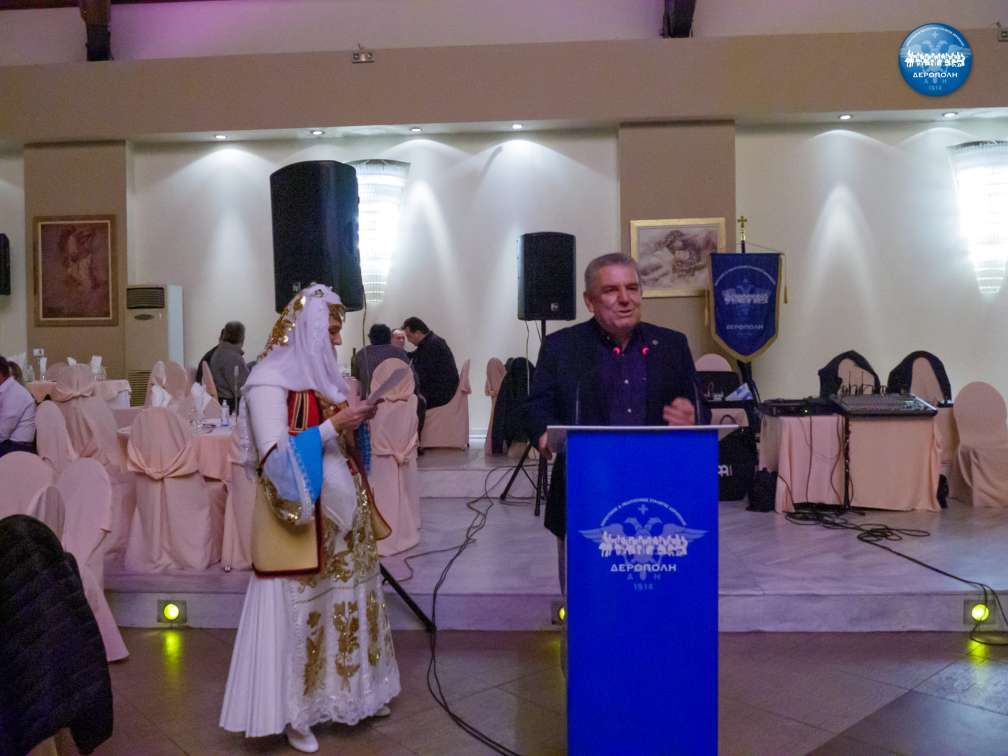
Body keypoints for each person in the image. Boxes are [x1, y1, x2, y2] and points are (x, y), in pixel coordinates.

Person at [220, 284, 399, 753]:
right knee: (300, 614)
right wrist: (334, 425)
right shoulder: (268, 382)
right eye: (331, 331)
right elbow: (274, 457)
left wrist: (351, 420)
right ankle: (293, 712)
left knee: (346, 603)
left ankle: (353, 695)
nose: (338, 340)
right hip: (298, 515)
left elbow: (330, 437)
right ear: (306, 331)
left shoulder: (320, 376)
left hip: (339, 516)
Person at [524, 253, 707, 586]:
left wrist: (693, 416)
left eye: (632, 288)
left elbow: (699, 408)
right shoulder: (562, 347)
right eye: (611, 290)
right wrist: (543, 434)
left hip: (660, 489)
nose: (625, 299)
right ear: (589, 301)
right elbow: (537, 406)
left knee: (655, 589)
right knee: (587, 594)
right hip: (587, 488)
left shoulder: (671, 345)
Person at [401, 317, 459, 409]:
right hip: (443, 390)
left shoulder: (432, 345)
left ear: (418, 333)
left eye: (409, 336)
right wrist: (398, 351)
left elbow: (422, 375)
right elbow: (414, 356)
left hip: (442, 394)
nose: (408, 340)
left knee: (404, 402)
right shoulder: (430, 342)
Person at [351, 323, 410, 398]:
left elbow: (355, 379)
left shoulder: (362, 354)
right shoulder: (400, 353)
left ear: (370, 337)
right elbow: (412, 378)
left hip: (370, 400)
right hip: (397, 400)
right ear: (389, 337)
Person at [0, 355, 37, 456]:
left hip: (18, 447)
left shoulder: (14, 393)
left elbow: (3, 432)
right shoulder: (6, 389)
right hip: (8, 443)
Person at [209, 321, 249, 412]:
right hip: (232, 406)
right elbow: (242, 390)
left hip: (223, 401)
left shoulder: (219, 351)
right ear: (242, 338)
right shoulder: (233, 358)